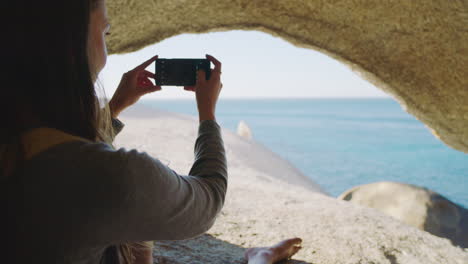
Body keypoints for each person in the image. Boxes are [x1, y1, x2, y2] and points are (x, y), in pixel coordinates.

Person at [1, 0, 303, 263]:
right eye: (105, 33)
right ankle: (260, 258)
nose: (106, 48)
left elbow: (62, 148)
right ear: (71, 42)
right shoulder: (119, 177)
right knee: (138, 239)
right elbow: (209, 198)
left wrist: (116, 106)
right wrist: (207, 114)